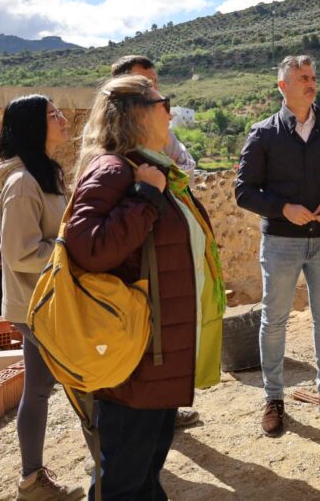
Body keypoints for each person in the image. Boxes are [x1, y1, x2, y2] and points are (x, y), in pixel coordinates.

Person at [64, 74, 224, 500]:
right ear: (135, 112)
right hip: (133, 359)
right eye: (162, 101)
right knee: (124, 481)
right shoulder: (114, 169)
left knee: (147, 471)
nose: (170, 110)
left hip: (156, 355)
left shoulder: (144, 166)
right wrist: (144, 197)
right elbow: (89, 248)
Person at [235, 55, 320, 437]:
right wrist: (282, 208)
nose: (311, 83)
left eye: (313, 77)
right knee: (274, 321)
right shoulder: (262, 134)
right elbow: (243, 191)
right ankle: (274, 398)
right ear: (282, 87)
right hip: (280, 243)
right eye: (302, 77)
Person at [0, 95, 84, 501]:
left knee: (39, 388)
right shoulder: (22, 183)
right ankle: (112, 468)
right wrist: (71, 248)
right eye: (53, 115)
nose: (63, 120)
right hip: (38, 305)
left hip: (45, 300)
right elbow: (20, 253)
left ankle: (32, 480)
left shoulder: (43, 174)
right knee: (86, 382)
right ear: (33, 126)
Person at [110, 54, 201, 429]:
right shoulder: (110, 158)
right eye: (146, 86)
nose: (158, 94)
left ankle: (163, 409)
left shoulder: (165, 134)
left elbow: (189, 167)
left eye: (156, 83)